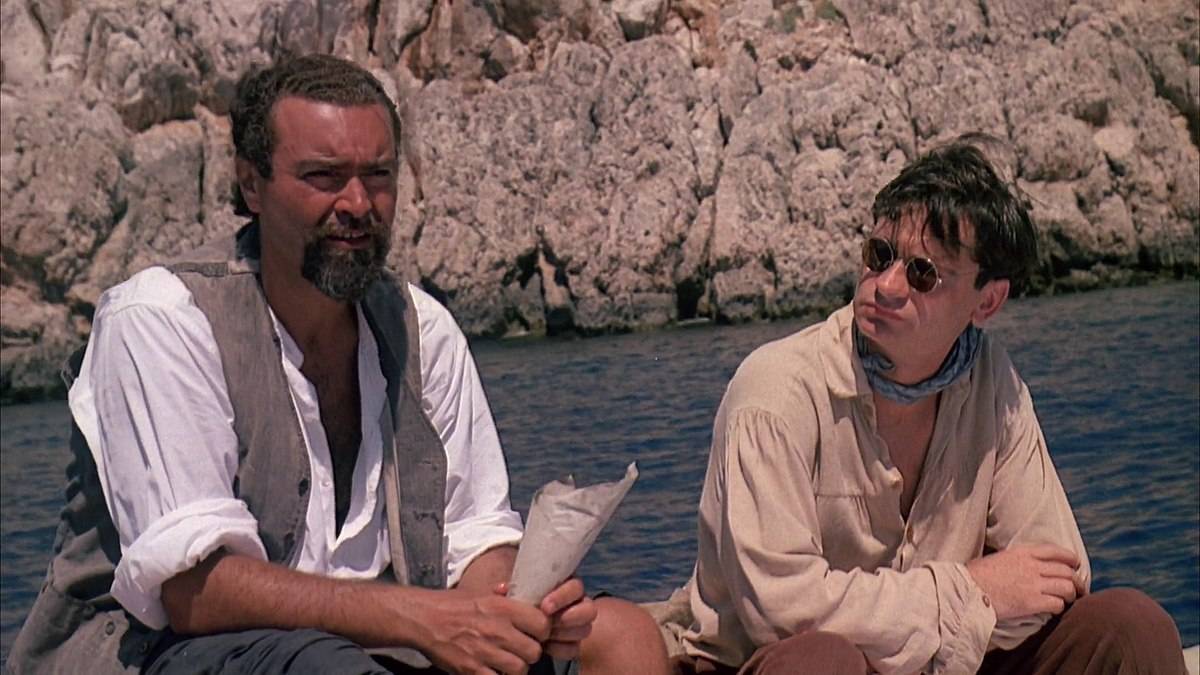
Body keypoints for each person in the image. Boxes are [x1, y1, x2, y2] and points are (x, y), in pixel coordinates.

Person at [9, 54, 668, 675]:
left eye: (377, 175)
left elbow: (475, 535)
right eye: (324, 177)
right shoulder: (162, 319)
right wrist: (425, 619)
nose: (357, 203)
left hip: (378, 638)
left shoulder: (421, 328)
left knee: (622, 635)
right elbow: (196, 591)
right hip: (167, 651)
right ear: (252, 183)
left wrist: (511, 609)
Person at [669, 139, 1187, 674]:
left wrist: (920, 623)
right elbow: (782, 614)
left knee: (1131, 626)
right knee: (824, 658)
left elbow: (1058, 576)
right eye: (879, 256)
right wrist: (972, 591)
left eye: (923, 274)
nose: (887, 285)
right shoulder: (775, 393)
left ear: (987, 301)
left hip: (946, 664)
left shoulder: (992, 382)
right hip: (769, 666)